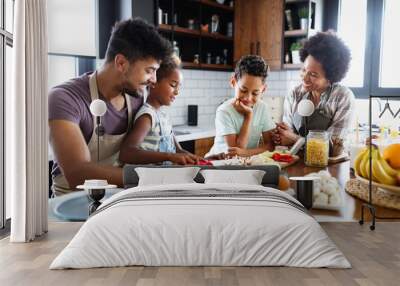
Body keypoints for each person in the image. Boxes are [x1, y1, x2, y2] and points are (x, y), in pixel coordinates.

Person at [48, 18, 172, 196]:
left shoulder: (135, 96)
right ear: (121, 63)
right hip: (71, 207)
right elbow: (78, 174)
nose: (153, 80)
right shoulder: (64, 98)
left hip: (117, 199)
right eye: (149, 70)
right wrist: (154, 178)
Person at [273, 31, 355, 156]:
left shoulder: (342, 97)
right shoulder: (295, 94)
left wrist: (295, 139)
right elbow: (285, 135)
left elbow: (332, 149)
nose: (304, 78)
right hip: (296, 163)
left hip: (328, 168)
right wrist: (281, 136)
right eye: (304, 70)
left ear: (329, 78)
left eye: (313, 74)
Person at [119, 55, 202, 165]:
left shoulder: (164, 116)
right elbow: (127, 153)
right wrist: (169, 157)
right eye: (173, 85)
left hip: (165, 178)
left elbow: (178, 151)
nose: (177, 92)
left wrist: (201, 160)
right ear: (154, 82)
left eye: (178, 87)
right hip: (151, 180)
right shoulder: (147, 116)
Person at [206, 55, 275, 158]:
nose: (248, 97)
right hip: (219, 165)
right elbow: (235, 153)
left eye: (255, 93)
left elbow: (270, 146)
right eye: (243, 90)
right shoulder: (224, 111)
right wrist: (248, 116)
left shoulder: (262, 108)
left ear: (263, 90)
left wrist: (245, 153)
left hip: (245, 163)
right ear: (233, 82)